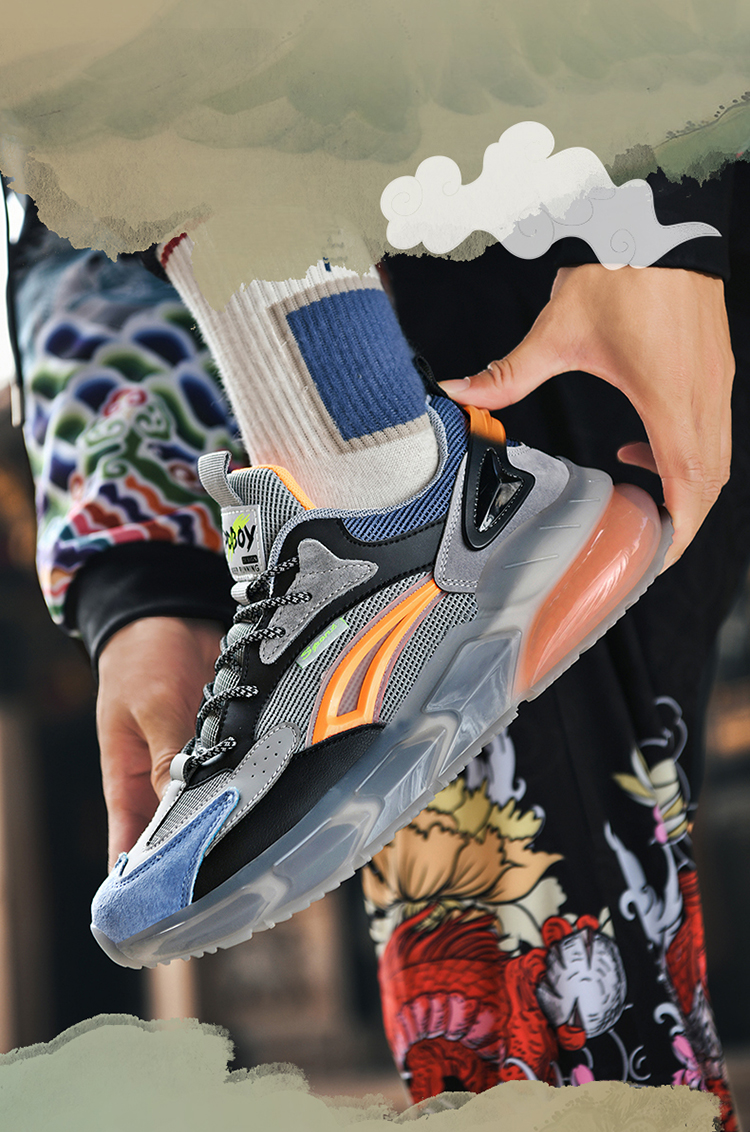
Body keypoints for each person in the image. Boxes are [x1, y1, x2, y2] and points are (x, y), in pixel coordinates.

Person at [7, 159, 745, 1129]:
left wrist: (649, 216)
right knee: (528, 1010)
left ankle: (388, 499)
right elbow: (62, 196)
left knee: (549, 997)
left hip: (543, 238)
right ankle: (382, 492)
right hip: (402, 332)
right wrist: (146, 574)